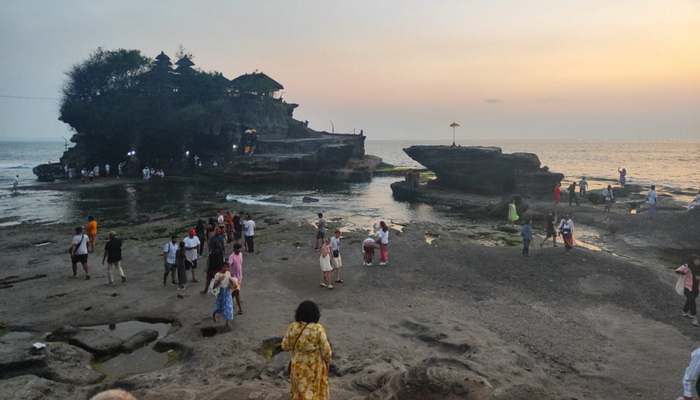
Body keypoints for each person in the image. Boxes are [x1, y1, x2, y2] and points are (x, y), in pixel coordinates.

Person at [281, 300, 332, 400]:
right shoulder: (318, 329)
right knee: (314, 391)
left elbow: (285, 346)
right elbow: (326, 351)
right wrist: (328, 361)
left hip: (298, 365)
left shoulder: (293, 327)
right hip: (314, 366)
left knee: (298, 391)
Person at [210, 262, 239, 328]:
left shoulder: (228, 273)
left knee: (228, 306)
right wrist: (219, 281)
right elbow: (214, 286)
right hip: (221, 292)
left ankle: (227, 321)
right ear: (221, 267)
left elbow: (230, 282)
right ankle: (214, 314)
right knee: (219, 305)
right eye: (224, 267)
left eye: (227, 267)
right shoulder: (217, 275)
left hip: (227, 292)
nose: (225, 268)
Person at [676, 254, 700, 327]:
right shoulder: (687, 266)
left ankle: (685, 311)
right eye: (696, 260)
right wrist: (684, 272)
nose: (698, 262)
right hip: (687, 287)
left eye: (698, 260)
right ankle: (694, 318)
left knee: (690, 300)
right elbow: (677, 271)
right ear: (692, 260)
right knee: (692, 301)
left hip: (696, 287)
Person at [228, 243, 244, 314]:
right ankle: (240, 308)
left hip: (239, 276)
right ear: (235, 249)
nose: (239, 250)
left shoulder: (240, 254)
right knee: (237, 292)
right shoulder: (232, 256)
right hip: (234, 277)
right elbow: (229, 264)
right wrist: (230, 273)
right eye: (238, 249)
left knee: (235, 292)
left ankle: (228, 301)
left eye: (240, 249)